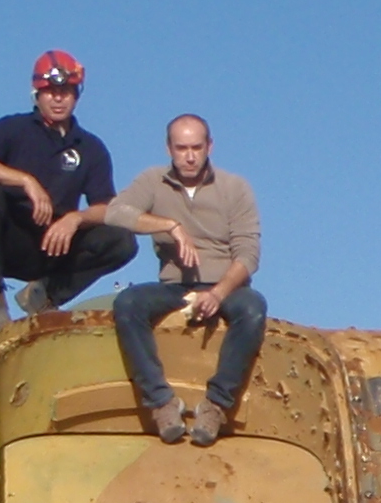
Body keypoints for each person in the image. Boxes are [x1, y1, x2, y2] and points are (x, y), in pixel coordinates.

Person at [96, 115, 268, 442]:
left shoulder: (235, 188)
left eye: (196, 148)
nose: (189, 156)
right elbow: (115, 213)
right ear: (169, 149)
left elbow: (248, 255)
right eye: (181, 148)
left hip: (225, 286)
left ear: (209, 147)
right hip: (174, 286)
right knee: (128, 303)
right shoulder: (152, 181)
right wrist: (168, 225)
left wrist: (217, 294)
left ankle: (216, 405)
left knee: (253, 308)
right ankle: (161, 402)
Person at [0, 49, 141, 322]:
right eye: (50, 91)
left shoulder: (90, 147)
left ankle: (44, 294)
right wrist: (24, 180)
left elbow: (106, 207)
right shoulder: (12, 128)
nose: (58, 98)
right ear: (37, 93)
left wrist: (76, 219)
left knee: (122, 238)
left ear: (77, 94)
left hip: (55, 246)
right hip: (10, 240)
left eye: (66, 91)